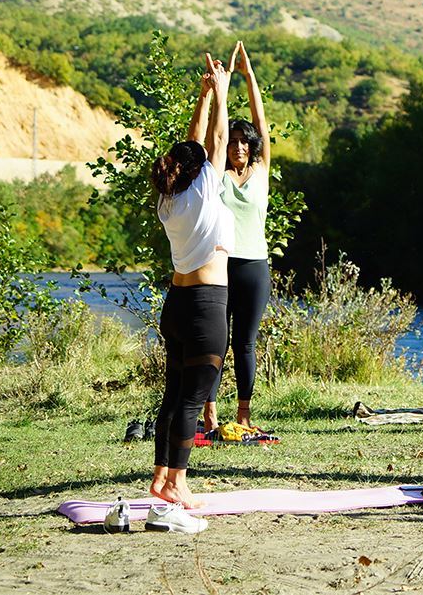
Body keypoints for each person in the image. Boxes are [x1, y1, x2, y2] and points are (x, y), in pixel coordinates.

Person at [147, 54, 233, 534]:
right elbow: (215, 141)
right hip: (204, 308)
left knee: (174, 394)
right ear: (197, 170)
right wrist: (221, 92)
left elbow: (195, 144)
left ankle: (162, 476)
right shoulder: (203, 187)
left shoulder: (170, 195)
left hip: (177, 305)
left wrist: (200, 98)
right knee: (191, 399)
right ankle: (178, 481)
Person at [201, 41, 272, 433]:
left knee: (245, 343)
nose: (240, 147)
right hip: (222, 266)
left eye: (245, 143)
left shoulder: (261, 173)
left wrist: (249, 76)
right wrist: (215, 93)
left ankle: (243, 414)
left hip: (255, 267)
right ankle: (210, 411)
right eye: (234, 141)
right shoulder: (218, 175)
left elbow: (262, 123)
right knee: (216, 341)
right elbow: (213, 135)